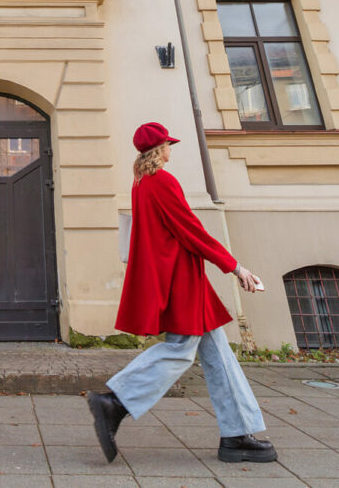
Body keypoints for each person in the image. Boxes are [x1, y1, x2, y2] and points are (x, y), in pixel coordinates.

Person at [87, 121, 277, 465]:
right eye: (168, 145)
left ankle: (237, 434)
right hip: (181, 280)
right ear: (159, 149)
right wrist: (235, 267)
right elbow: (191, 231)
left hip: (178, 277)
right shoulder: (161, 181)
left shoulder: (141, 183)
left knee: (218, 353)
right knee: (181, 349)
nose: (170, 150)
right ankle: (115, 400)